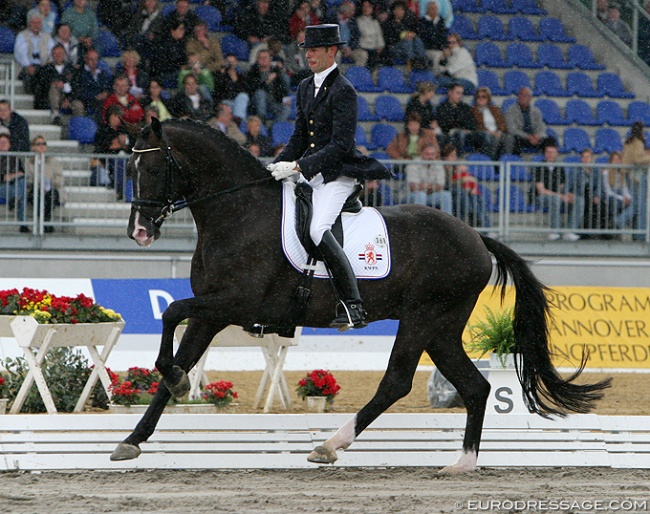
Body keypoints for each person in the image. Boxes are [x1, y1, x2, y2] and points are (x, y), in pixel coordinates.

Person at [267, 24, 390, 330]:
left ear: (331, 51)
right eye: (306, 50)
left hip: (338, 173)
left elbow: (340, 145)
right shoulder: (306, 86)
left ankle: (353, 305)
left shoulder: (344, 90)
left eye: (315, 50)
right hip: (313, 171)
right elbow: (298, 136)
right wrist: (276, 165)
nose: (308, 55)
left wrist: (298, 168)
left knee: (317, 230)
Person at [530, 140, 580, 241]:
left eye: (552, 152)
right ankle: (554, 231)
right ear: (544, 153)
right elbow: (541, 190)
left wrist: (568, 195)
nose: (550, 154)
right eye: (548, 152)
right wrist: (560, 196)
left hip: (557, 196)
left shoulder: (559, 168)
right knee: (555, 200)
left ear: (556, 153)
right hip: (542, 198)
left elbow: (562, 187)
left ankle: (570, 231)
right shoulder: (539, 167)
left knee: (578, 200)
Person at [441, 142, 492, 229]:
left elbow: (470, 180)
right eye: (452, 155)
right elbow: (446, 183)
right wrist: (462, 181)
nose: (455, 158)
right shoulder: (442, 167)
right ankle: (469, 219)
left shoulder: (456, 167)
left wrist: (473, 188)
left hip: (461, 191)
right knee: (462, 193)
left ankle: (485, 226)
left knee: (477, 197)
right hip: (450, 191)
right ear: (445, 157)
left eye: (455, 155)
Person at [25, 135, 65, 232]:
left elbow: (59, 178)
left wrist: (49, 183)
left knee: (51, 195)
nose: (42, 146)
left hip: (50, 188)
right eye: (38, 144)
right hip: (34, 189)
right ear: (33, 147)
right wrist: (38, 183)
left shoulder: (54, 162)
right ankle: (45, 222)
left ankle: (45, 221)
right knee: (37, 195)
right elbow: (27, 178)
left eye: (44, 144)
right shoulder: (28, 162)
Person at [245, 48, 291, 124]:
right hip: (255, 104)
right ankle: (262, 121)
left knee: (286, 109)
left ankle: (274, 129)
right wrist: (267, 81)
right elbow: (253, 89)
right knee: (260, 93)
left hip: (272, 103)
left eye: (265, 57)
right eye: (260, 58)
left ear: (270, 60)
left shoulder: (276, 72)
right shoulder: (252, 72)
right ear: (257, 60)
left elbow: (282, 89)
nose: (263, 60)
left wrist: (285, 99)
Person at [13, 12, 54, 94]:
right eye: (33, 22)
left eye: (38, 23)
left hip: (43, 66)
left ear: (42, 24)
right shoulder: (22, 35)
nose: (36, 25)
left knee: (47, 74)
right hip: (27, 66)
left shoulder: (47, 37)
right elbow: (20, 53)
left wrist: (46, 64)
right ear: (29, 24)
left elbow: (52, 53)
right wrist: (28, 65)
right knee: (31, 75)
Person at [622, 121, 650, 240]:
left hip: (629, 175)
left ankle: (636, 232)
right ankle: (639, 234)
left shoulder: (628, 142)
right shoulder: (638, 142)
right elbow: (638, 159)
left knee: (637, 205)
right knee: (641, 206)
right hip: (637, 176)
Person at [404, 143, 452, 213]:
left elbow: (440, 186)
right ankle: (420, 221)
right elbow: (414, 188)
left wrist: (423, 186)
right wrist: (432, 187)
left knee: (446, 195)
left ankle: (448, 222)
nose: (430, 157)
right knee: (421, 195)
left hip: (430, 195)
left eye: (432, 154)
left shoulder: (438, 164)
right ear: (421, 154)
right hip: (410, 196)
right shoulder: (413, 164)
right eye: (427, 154)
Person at [435, 82, 480, 155]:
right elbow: (444, 125)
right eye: (458, 93)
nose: (460, 96)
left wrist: (460, 125)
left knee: (483, 135)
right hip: (450, 134)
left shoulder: (465, 107)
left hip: (467, 135)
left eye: (461, 93)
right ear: (450, 93)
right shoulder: (441, 108)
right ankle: (460, 158)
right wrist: (460, 125)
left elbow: (472, 124)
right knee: (459, 134)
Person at [33, 44, 75, 122]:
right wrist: (53, 84)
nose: (58, 55)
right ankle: (55, 114)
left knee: (78, 105)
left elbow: (76, 86)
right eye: (55, 53)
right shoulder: (45, 69)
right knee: (54, 87)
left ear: (64, 54)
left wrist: (68, 99)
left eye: (60, 53)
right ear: (52, 55)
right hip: (50, 98)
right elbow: (41, 86)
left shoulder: (71, 69)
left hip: (68, 98)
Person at [381, 0, 427, 68]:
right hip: (393, 48)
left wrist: (412, 34)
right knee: (407, 42)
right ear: (393, 11)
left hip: (407, 47)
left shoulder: (407, 22)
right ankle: (412, 61)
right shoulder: (388, 23)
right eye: (398, 9)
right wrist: (402, 36)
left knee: (417, 39)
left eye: (402, 9)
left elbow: (417, 30)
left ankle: (422, 59)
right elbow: (389, 40)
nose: (400, 11)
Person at [504, 87, 547, 156]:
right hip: (521, 137)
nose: (523, 97)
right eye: (521, 95)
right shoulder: (510, 111)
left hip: (534, 137)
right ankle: (517, 163)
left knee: (550, 141)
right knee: (513, 140)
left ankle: (546, 164)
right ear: (518, 97)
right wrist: (528, 137)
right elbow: (512, 129)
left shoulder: (536, 111)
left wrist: (538, 135)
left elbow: (541, 126)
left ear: (530, 98)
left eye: (526, 95)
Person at [70, 47, 112, 118]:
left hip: (100, 101)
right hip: (86, 101)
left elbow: (110, 87)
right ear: (85, 59)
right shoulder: (79, 73)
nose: (94, 62)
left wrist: (106, 93)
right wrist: (95, 96)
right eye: (91, 59)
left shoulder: (102, 73)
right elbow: (78, 91)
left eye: (96, 59)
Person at [470, 86, 509, 160]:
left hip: (497, 133)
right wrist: (490, 132)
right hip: (483, 134)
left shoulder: (495, 110)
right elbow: (476, 125)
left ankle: (504, 162)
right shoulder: (472, 111)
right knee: (494, 138)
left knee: (507, 138)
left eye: (484, 97)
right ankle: (491, 162)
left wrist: (499, 131)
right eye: (478, 96)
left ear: (488, 99)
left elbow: (502, 123)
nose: (481, 98)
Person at [123, 0, 166, 67]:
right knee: (137, 39)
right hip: (138, 40)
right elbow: (131, 29)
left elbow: (160, 33)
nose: (150, 3)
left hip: (152, 43)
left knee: (140, 39)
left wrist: (152, 35)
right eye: (148, 1)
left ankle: (141, 63)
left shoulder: (160, 17)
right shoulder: (138, 15)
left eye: (152, 1)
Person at [0, 133, 27, 232]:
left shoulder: (14, 158)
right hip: (2, 187)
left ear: (9, 144)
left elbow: (22, 173)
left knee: (22, 183)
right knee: (21, 193)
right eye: (0, 142)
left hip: (14, 186)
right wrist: (9, 176)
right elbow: (3, 178)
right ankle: (23, 224)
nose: (2, 144)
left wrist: (10, 176)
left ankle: (16, 197)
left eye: (5, 142)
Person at [150, 20, 189, 88]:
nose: (183, 31)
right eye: (180, 29)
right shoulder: (163, 43)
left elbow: (183, 59)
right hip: (164, 74)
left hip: (174, 71)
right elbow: (162, 65)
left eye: (183, 29)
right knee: (185, 75)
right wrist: (179, 68)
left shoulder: (180, 43)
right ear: (172, 30)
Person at [601, 150, 633, 233]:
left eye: (618, 159)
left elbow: (625, 188)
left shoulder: (621, 173)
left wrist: (628, 197)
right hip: (610, 197)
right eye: (614, 159)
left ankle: (617, 222)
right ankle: (615, 225)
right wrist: (622, 199)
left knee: (634, 205)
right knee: (614, 202)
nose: (616, 161)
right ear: (611, 161)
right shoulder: (606, 172)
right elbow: (608, 191)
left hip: (620, 196)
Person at [213, 54, 250, 123]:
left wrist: (235, 80)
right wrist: (222, 74)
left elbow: (243, 91)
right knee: (227, 104)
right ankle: (237, 121)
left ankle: (237, 121)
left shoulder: (241, 76)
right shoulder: (219, 75)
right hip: (225, 101)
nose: (231, 64)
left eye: (232, 62)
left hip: (237, 102)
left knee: (243, 96)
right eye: (229, 62)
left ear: (236, 62)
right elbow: (217, 91)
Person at [355, 0, 385, 70]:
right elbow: (360, 35)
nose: (366, 9)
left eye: (368, 7)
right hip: (363, 46)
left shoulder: (375, 21)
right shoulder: (358, 20)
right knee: (369, 56)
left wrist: (380, 46)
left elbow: (379, 35)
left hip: (374, 47)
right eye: (364, 6)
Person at [418, 0, 447, 72]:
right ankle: (436, 77)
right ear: (427, 10)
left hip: (439, 48)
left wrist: (444, 48)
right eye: (432, 9)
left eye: (435, 9)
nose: (434, 11)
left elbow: (443, 36)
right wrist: (440, 47)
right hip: (427, 49)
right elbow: (427, 38)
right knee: (438, 55)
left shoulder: (441, 21)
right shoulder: (422, 21)